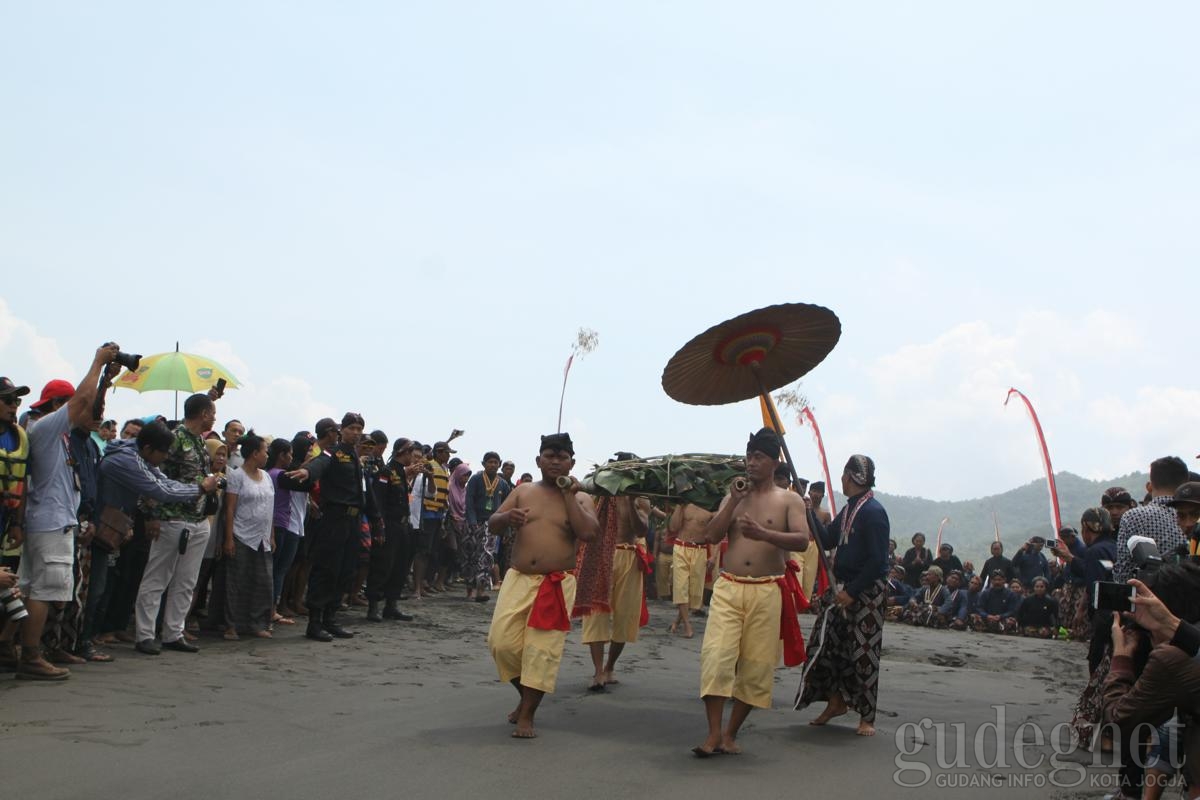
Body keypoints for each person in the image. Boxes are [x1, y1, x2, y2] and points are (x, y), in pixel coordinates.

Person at [691, 429, 810, 755]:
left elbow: (802, 540)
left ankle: (730, 733)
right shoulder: (733, 496)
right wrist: (732, 504)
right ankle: (713, 734)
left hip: (767, 589)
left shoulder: (789, 500)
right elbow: (711, 536)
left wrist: (764, 533)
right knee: (716, 658)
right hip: (729, 587)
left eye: (759, 457)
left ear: (774, 462)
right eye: (749, 456)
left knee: (756, 667)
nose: (752, 463)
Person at [6, 345, 119, 679]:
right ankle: (30, 656)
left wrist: (104, 379)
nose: (89, 413)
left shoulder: (63, 436)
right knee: (43, 591)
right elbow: (82, 403)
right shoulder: (46, 429)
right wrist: (96, 361)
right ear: (57, 407)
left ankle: (8, 647)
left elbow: (91, 406)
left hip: (50, 522)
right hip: (50, 524)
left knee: (30, 589)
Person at [485, 432, 599, 739]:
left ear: (572, 462)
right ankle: (525, 698)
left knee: (541, 652)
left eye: (562, 457)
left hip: (556, 583)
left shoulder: (583, 497)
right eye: (549, 456)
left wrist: (567, 496)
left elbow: (589, 533)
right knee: (502, 644)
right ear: (538, 460)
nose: (556, 462)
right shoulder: (523, 492)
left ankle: (528, 715)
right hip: (518, 578)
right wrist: (508, 516)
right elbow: (493, 522)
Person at [79, 422, 216, 660]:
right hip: (102, 524)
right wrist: (199, 490)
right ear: (150, 448)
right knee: (99, 587)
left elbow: (163, 481)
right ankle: (87, 641)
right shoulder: (128, 460)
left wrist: (197, 488)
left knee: (103, 585)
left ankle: (88, 639)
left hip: (112, 525)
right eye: (163, 453)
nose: (165, 457)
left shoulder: (139, 457)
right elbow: (160, 490)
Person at [796, 454, 888, 737]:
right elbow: (826, 539)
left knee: (863, 652)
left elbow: (877, 561)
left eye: (844, 476)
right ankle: (835, 702)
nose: (841, 480)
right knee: (828, 647)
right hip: (841, 588)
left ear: (850, 477)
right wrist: (809, 511)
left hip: (866, 591)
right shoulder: (849, 510)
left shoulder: (873, 512)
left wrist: (853, 591)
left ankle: (867, 716)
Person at [133, 391, 221, 656]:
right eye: (213, 413)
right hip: (171, 517)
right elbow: (150, 476)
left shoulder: (199, 442)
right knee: (157, 577)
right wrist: (151, 514)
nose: (215, 418)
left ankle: (174, 632)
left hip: (197, 518)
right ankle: (145, 634)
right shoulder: (174, 439)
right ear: (204, 413)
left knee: (186, 581)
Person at [1104, 565, 1200, 799]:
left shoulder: (1171, 659)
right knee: (1171, 726)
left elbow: (1119, 720)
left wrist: (1121, 658)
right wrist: (1170, 626)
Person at [286, 413, 373, 642]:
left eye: (359, 428)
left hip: (353, 521)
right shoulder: (333, 453)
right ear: (341, 430)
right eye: (351, 428)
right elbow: (319, 464)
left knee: (345, 572)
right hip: (333, 519)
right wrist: (307, 472)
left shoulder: (356, 457)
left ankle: (330, 619)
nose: (355, 432)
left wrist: (376, 519)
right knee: (326, 570)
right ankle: (314, 623)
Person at [576, 494, 648, 691]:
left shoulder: (641, 500)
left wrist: (629, 504)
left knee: (625, 616)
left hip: (629, 557)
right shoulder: (601, 496)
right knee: (595, 615)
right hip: (600, 555)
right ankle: (598, 671)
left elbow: (641, 529)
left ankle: (610, 666)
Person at [223, 431, 275, 640]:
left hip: (262, 537)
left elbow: (269, 507)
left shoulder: (267, 477)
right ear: (254, 453)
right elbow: (230, 509)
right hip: (241, 535)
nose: (267, 455)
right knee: (237, 581)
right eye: (265, 451)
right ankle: (231, 625)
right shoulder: (237, 475)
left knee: (263, 582)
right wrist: (228, 539)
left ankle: (258, 623)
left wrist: (272, 535)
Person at [1114, 457, 1189, 583]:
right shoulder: (1194, 519)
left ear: (1150, 486)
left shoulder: (1133, 516)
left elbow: (1122, 574)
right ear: (1185, 484)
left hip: (1145, 597)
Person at [463, 452, 511, 604]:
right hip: (474, 521)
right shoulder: (476, 479)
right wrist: (471, 520)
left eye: (495, 462)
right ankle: (469, 590)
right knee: (470, 556)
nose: (492, 465)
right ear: (483, 464)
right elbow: (469, 500)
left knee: (486, 556)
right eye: (489, 462)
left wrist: (506, 529)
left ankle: (481, 591)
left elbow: (506, 507)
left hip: (492, 524)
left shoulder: (503, 484)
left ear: (499, 464)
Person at [666, 501, 714, 638]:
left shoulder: (711, 505)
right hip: (681, 547)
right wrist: (679, 505)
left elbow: (715, 535)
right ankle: (688, 625)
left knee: (693, 591)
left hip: (700, 550)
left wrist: (714, 556)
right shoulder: (684, 504)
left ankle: (677, 621)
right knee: (681, 587)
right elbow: (673, 527)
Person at [411, 441, 452, 599]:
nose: (448, 456)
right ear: (439, 452)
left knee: (431, 551)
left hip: (438, 514)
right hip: (426, 513)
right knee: (423, 551)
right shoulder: (430, 465)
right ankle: (417, 586)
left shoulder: (443, 469)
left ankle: (423, 583)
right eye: (446, 453)